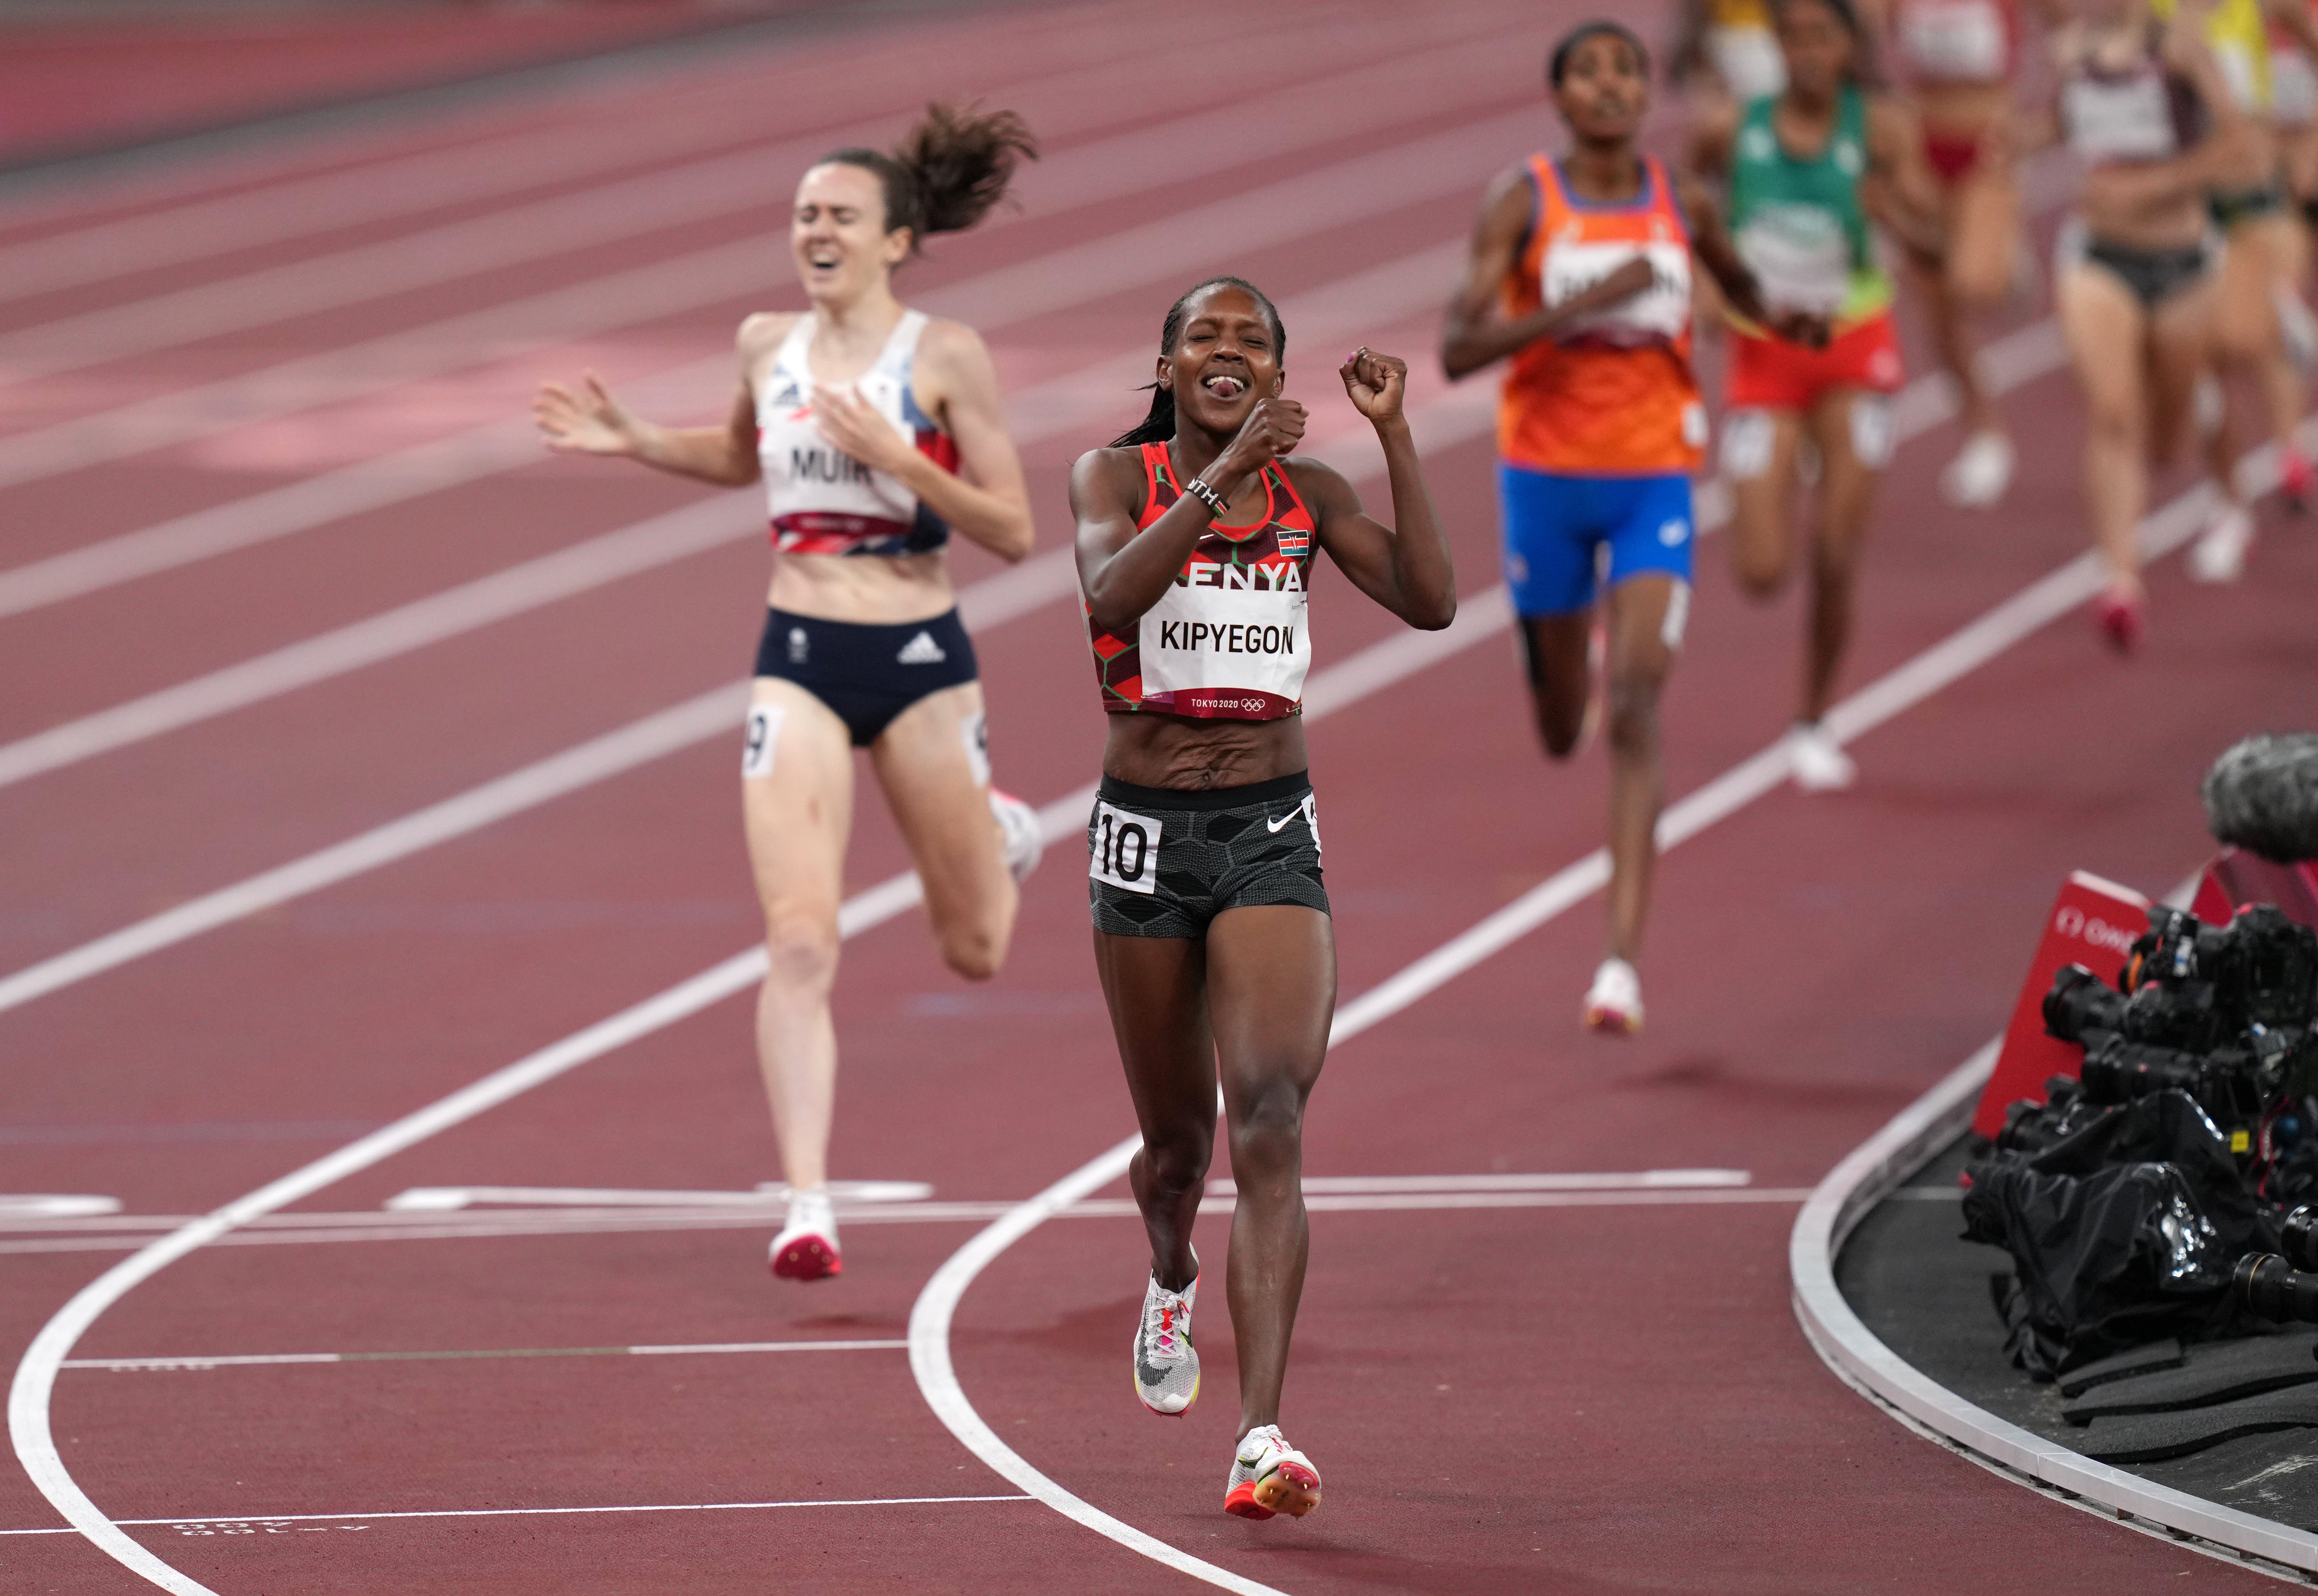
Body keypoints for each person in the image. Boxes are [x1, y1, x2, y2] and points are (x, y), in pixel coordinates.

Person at [533, 105, 1046, 1282]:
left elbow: (1014, 529)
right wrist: (633, 440)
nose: (815, 230)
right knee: (801, 936)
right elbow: (739, 454)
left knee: (974, 947)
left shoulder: (944, 356)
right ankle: (806, 1202)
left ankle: (1002, 831)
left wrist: (904, 460)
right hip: (800, 654)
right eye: (804, 213)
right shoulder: (766, 343)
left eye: (840, 216)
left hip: (919, 655)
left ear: (895, 241)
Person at [1070, 281, 1455, 1519]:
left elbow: (1432, 599)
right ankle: (1171, 1267)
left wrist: (1395, 437)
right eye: (1207, 337)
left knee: (1272, 1118)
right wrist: (1222, 469)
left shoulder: (1312, 497)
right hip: (1142, 837)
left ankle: (1260, 1434)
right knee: (1177, 1149)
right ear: (1170, 364)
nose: (1227, 352)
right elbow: (1111, 597)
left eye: (1252, 342)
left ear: (1281, 373)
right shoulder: (1112, 478)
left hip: (1268, 829)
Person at [1440, 23, 1821, 1035]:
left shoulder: (1678, 202)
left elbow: (1741, 292)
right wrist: (1573, 309)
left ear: (1645, 92)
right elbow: (1454, 346)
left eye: (1625, 71)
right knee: (1564, 723)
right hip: (1546, 478)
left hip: (1654, 472)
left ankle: (1617, 966)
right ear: (1559, 96)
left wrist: (1791, 324)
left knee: (1638, 702)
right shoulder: (1522, 200)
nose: (1609, 86)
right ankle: (1562, 649)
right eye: (1587, 72)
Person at [1690, 0, 1944, 789]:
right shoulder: (1734, 127)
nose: (1805, 51)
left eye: (1820, 37)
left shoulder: (1884, 129)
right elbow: (1688, 207)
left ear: (1847, 47)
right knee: (1762, 569)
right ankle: (1787, 456)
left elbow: (1940, 243)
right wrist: (1705, 282)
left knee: (1836, 552)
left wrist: (1892, 209)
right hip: (1766, 357)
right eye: (1791, 36)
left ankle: (1812, 719)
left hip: (1853, 350)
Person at [2029, 0, 2250, 642]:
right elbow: (2063, 125)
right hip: (2097, 256)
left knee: (2164, 443)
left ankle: (2212, 444)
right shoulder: (2073, 50)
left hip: (2182, 260)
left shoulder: (2177, 45)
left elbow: (2238, 145)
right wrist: (2020, 139)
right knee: (2111, 414)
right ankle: (2119, 579)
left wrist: (2154, 187)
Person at [1876, 0, 2053, 506]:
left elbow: (2067, 38)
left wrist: (2043, 120)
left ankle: (2005, 261)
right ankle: (1985, 433)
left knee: (1974, 282)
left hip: (1987, 144)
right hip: (1921, 145)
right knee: (1938, 313)